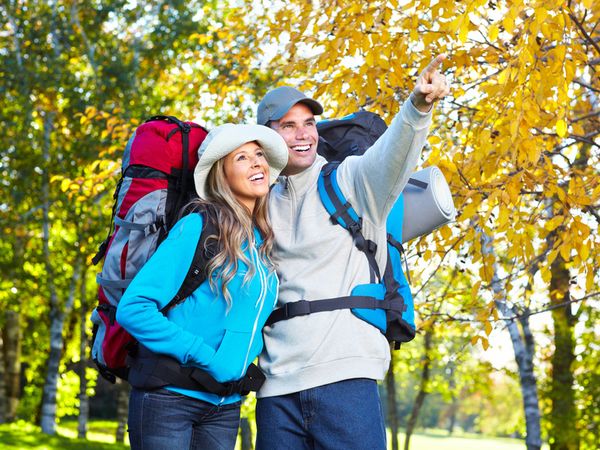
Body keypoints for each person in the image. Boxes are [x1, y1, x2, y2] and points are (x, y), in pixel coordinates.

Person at [254, 55, 450, 449]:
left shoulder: (351, 180)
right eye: (288, 126)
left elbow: (393, 156)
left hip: (345, 376)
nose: (302, 134)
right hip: (275, 388)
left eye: (308, 123)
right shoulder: (258, 201)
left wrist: (418, 107)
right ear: (268, 136)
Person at [116, 123, 288, 450]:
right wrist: (206, 356)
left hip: (224, 406)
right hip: (169, 399)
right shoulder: (198, 226)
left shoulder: (262, 245)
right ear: (221, 174)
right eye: (242, 157)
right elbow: (134, 308)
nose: (256, 163)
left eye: (260, 155)